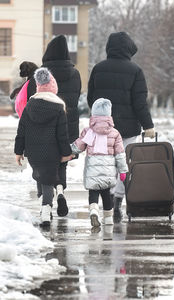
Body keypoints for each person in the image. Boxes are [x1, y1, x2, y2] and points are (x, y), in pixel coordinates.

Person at [87, 31, 155, 222]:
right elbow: (140, 103)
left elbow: (91, 98)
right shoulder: (136, 71)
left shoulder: (98, 69)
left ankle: (107, 198)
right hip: (127, 130)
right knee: (123, 166)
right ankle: (117, 201)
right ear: (128, 49)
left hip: (103, 129)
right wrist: (148, 125)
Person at [27, 35, 81, 216]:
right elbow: (76, 98)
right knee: (61, 164)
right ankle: (60, 191)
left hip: (43, 129)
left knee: (44, 165)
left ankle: (46, 203)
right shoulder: (75, 74)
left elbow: (30, 99)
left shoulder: (41, 74)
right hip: (68, 126)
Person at [14, 67, 73, 226]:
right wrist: (66, 152)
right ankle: (46, 210)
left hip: (33, 151)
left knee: (40, 175)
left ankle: (44, 205)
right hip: (51, 151)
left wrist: (18, 152)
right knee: (48, 181)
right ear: (54, 89)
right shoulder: (59, 107)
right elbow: (62, 134)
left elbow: (22, 131)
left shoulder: (29, 106)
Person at [71, 98, 128, 227]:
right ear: (109, 114)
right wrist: (123, 171)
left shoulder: (88, 131)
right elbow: (120, 154)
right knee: (107, 194)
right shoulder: (115, 133)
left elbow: (78, 146)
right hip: (108, 171)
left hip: (92, 170)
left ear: (93, 114)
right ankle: (108, 220)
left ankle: (94, 211)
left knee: (93, 193)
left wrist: (67, 150)